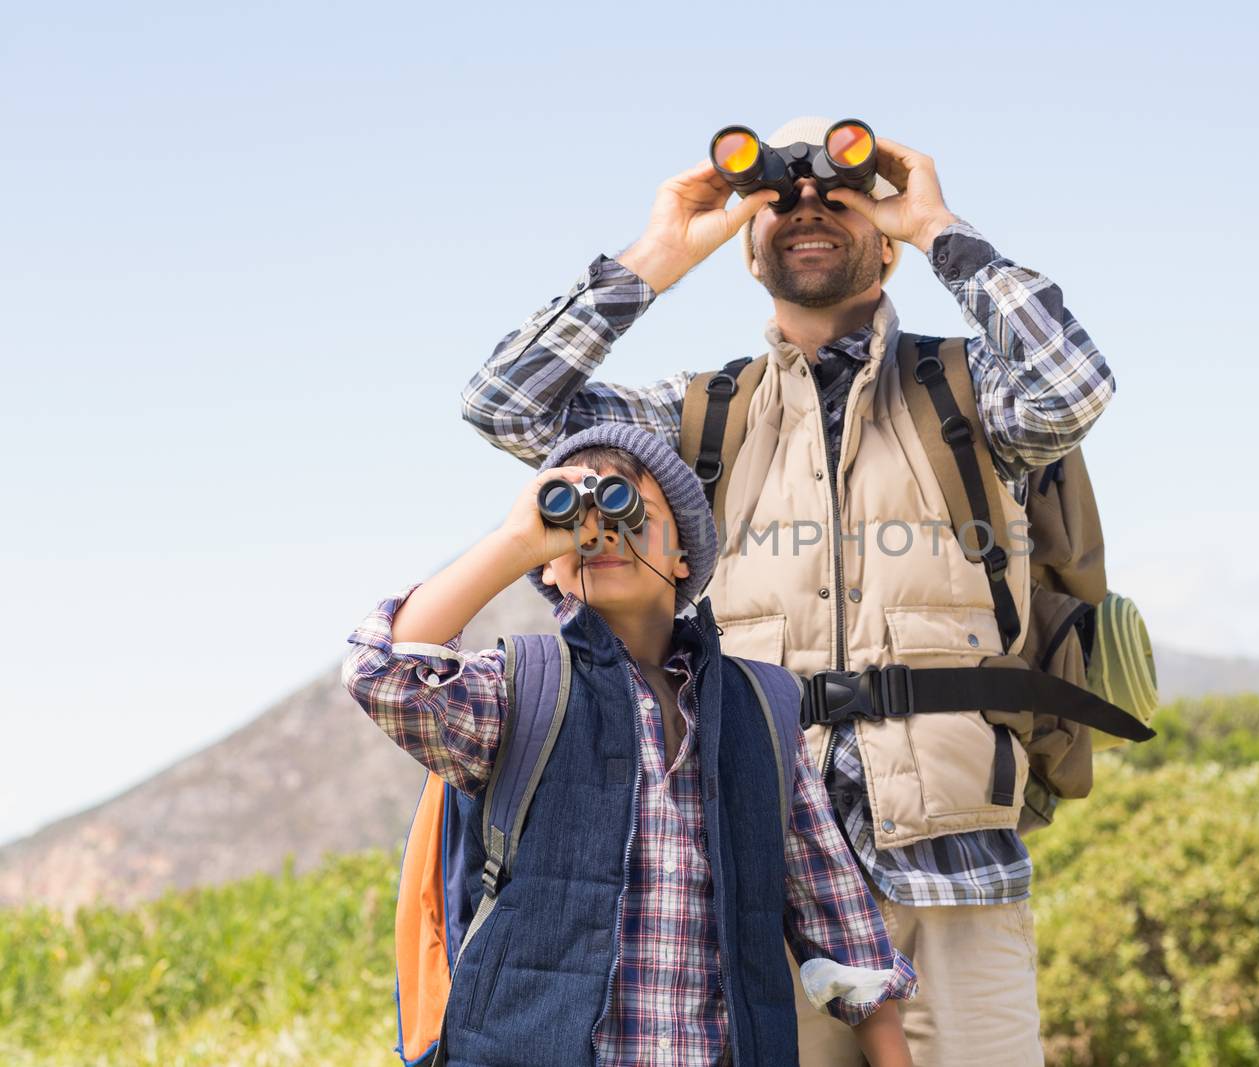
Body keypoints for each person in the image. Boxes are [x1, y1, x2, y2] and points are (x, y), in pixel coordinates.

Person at [459, 117, 1117, 1066]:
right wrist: (659, 252)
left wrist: (938, 225)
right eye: (780, 196)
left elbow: (1075, 386)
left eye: (838, 192)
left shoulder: (974, 396)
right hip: (756, 877)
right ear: (749, 242)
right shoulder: (696, 417)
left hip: (956, 879)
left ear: (883, 238)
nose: (808, 205)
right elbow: (505, 404)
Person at [342, 424, 916, 1067]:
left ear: (683, 559)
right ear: (550, 569)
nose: (602, 530)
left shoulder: (763, 707)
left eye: (629, 509)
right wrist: (516, 541)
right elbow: (381, 673)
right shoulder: (518, 690)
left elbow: (834, 908)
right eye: (574, 517)